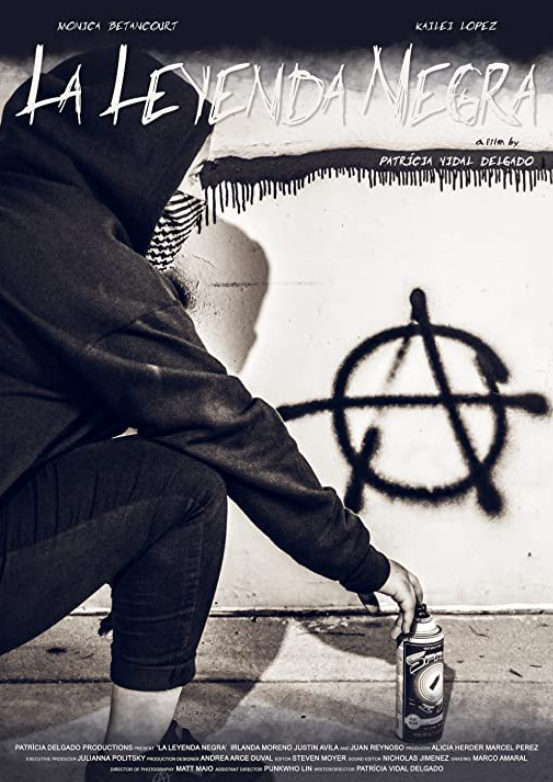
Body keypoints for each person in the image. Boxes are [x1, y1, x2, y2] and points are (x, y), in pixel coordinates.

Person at [0, 48, 423, 781]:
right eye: (188, 169)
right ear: (126, 155)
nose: (195, 194)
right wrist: (363, 562)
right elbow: (223, 420)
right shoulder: (67, 252)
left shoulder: (22, 215)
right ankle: (138, 759)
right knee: (186, 486)